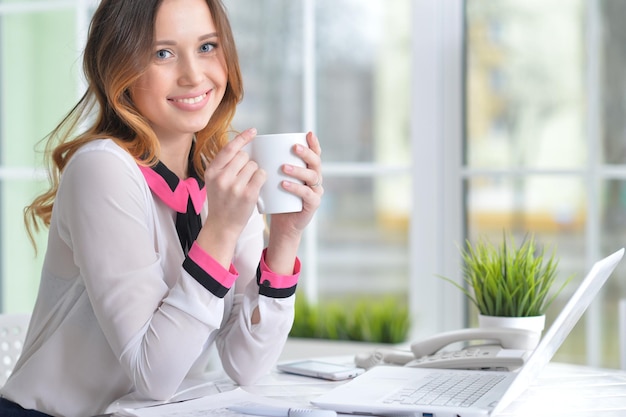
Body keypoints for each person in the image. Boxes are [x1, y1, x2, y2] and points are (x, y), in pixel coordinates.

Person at [0, 0, 323, 416]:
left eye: (207, 47)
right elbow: (154, 375)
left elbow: (247, 364)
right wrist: (221, 229)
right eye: (163, 53)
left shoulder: (216, 174)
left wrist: (285, 237)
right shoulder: (103, 169)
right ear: (120, 69)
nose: (193, 75)